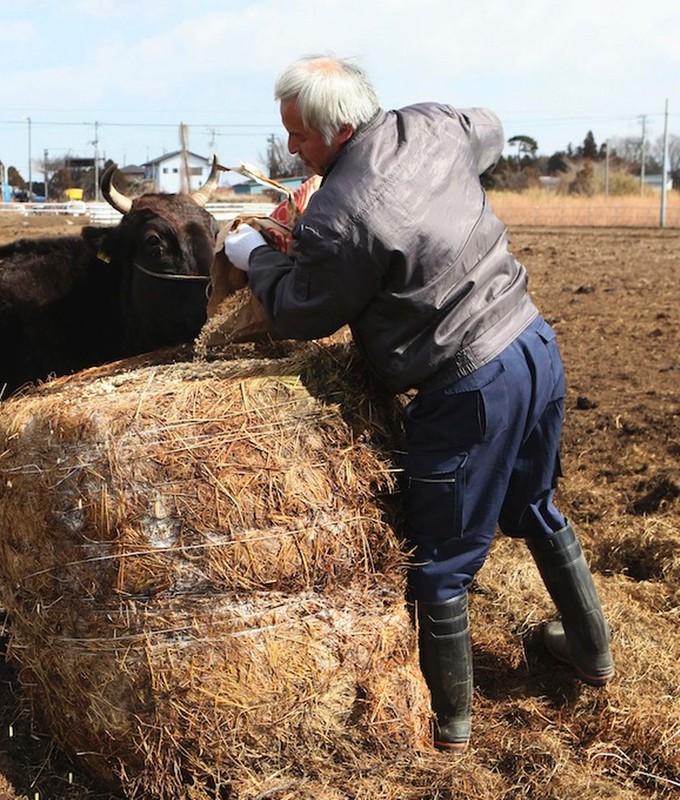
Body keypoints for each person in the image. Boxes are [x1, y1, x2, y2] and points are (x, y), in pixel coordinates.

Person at [223, 54, 613, 752]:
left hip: (467, 386)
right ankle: (592, 652)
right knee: (534, 503)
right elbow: (488, 128)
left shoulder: (340, 217)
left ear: (339, 130)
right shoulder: (432, 124)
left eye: (299, 137)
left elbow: (302, 311)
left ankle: (451, 725)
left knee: (440, 561)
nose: (289, 150)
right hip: (531, 345)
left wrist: (256, 253)